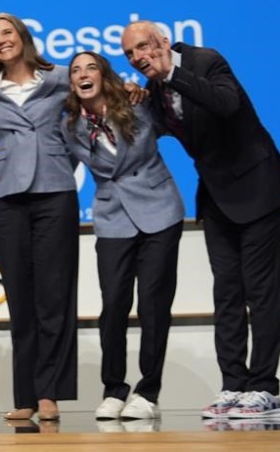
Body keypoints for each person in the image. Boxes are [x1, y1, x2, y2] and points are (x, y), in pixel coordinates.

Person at [120, 21, 280, 419]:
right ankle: (234, 384)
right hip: (216, 198)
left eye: (143, 47)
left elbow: (226, 104)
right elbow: (160, 128)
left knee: (261, 293)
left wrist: (173, 74)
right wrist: (137, 102)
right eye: (130, 54)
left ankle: (265, 387)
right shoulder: (155, 90)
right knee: (227, 294)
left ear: (163, 41)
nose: (138, 57)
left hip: (258, 188)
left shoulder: (204, 60)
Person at [61, 51, 184, 421]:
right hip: (113, 218)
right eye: (75, 71)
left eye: (91, 68)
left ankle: (148, 392)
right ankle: (114, 388)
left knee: (152, 305)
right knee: (113, 305)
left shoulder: (136, 104)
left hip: (159, 211)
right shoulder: (70, 126)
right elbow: (58, 166)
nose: (83, 74)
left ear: (104, 75)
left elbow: (175, 118)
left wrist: (145, 91)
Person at [0, 13, 78, 422]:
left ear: (23, 37)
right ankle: (26, 396)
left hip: (55, 192)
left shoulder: (58, 79)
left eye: (8, 33)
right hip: (7, 198)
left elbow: (97, 102)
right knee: (21, 298)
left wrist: (127, 88)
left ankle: (50, 393)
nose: (2, 41)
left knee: (53, 297)